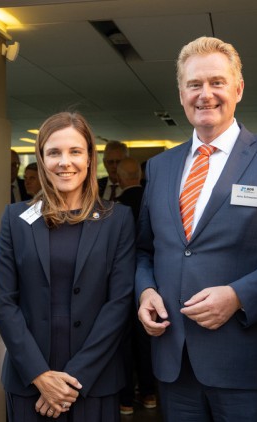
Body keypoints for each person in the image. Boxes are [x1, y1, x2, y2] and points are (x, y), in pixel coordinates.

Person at [136, 36, 257, 421]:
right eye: (194, 85)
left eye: (216, 82)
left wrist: (238, 295)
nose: (205, 94)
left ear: (238, 88)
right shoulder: (159, 167)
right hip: (175, 364)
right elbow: (146, 250)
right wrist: (145, 290)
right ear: (181, 93)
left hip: (248, 365)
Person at [0, 111, 135, 421]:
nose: (64, 161)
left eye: (74, 151)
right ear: (42, 159)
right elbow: (3, 301)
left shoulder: (118, 219)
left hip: (94, 381)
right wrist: (40, 375)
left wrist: (73, 381)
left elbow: (119, 303)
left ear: (88, 159)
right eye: (53, 152)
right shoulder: (15, 219)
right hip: (29, 381)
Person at [114, 157, 156, 415]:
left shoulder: (116, 208)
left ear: (119, 178)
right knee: (147, 340)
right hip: (150, 284)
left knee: (124, 343)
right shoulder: (153, 200)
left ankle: (126, 399)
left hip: (120, 284)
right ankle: (150, 394)